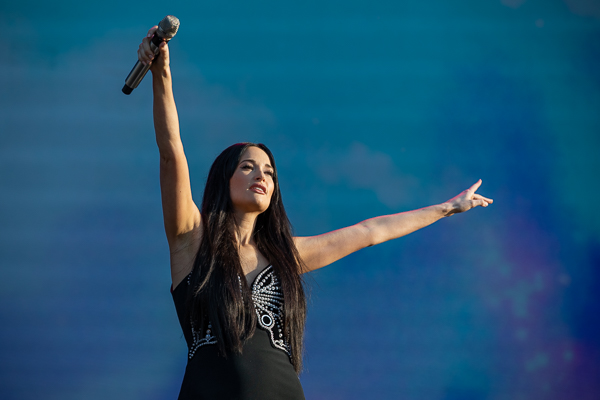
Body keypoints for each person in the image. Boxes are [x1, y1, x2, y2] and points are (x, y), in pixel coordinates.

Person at [137, 25, 493, 400]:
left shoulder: (285, 254)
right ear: (223, 179)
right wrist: (162, 73)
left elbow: (370, 232)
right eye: (248, 167)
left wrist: (446, 208)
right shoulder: (191, 240)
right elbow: (171, 152)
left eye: (269, 172)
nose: (262, 176)